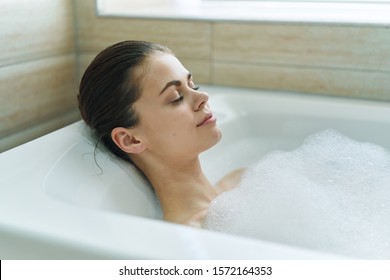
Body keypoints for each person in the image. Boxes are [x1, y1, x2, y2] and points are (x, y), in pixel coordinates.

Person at [78, 40, 243, 227]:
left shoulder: (240, 180)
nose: (203, 97)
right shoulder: (197, 232)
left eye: (193, 86)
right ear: (131, 139)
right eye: (176, 98)